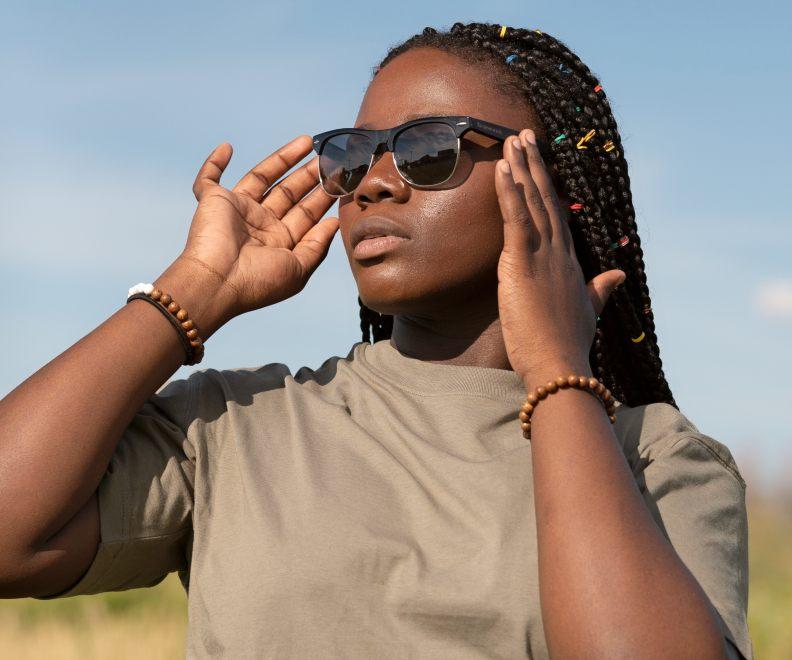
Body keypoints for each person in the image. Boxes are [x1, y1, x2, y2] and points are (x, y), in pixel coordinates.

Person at [0, 22, 752, 660]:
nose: (374, 183)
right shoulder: (240, 424)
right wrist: (189, 294)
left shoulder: (652, 458)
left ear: (545, 184)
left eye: (428, 150)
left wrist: (556, 370)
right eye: (353, 156)